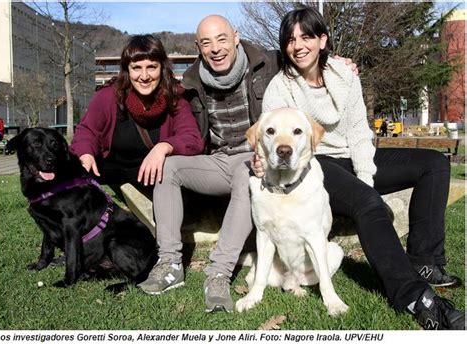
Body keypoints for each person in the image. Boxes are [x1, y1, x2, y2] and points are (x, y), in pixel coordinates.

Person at [258, 7, 463, 330]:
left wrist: (365, 176)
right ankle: (410, 294)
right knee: (369, 204)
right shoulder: (280, 88)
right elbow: (271, 141)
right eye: (290, 39)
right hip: (318, 165)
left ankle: (425, 262)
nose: (298, 46)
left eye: (307, 36)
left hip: (354, 158)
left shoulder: (344, 74)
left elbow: (358, 131)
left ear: (322, 39)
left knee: (434, 164)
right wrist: (365, 192)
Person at [138, 14, 357, 313]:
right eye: (206, 42)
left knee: (248, 176)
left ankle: (218, 273)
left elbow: (307, 54)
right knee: (169, 167)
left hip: (256, 157)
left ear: (236, 37)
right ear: (198, 47)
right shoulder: (188, 83)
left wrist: (335, 62)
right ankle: (169, 263)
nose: (215, 48)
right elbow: (179, 123)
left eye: (222, 39)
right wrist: (164, 146)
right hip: (216, 160)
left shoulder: (269, 62)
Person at [70, 35, 204, 195]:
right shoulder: (108, 95)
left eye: (152, 67)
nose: (144, 76)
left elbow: (192, 138)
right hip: (113, 172)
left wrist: (164, 147)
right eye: (137, 68)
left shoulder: (175, 98)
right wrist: (85, 153)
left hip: (155, 176)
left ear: (162, 68)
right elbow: (87, 131)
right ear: (128, 70)